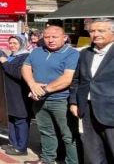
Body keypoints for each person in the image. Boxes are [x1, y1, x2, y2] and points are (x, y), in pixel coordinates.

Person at [22, 25, 81, 164]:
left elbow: (67, 78)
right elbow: (26, 67)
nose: (50, 40)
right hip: (39, 100)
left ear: (64, 38)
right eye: (47, 37)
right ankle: (48, 159)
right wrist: (32, 84)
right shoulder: (37, 51)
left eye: (55, 37)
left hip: (61, 100)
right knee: (46, 131)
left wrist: (42, 90)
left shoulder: (72, 53)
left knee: (68, 135)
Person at [69, 18, 114, 164]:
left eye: (101, 30)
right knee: (94, 153)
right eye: (92, 31)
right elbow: (77, 80)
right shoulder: (85, 54)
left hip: (111, 111)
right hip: (87, 110)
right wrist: (74, 102)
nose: (95, 34)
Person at [0, 35, 31, 157]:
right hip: (9, 94)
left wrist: (5, 63)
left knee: (20, 120)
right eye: (10, 43)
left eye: (15, 43)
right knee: (11, 119)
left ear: (22, 44)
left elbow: (18, 73)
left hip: (19, 94)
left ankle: (21, 148)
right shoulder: (12, 56)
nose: (12, 45)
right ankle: (13, 143)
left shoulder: (26, 57)